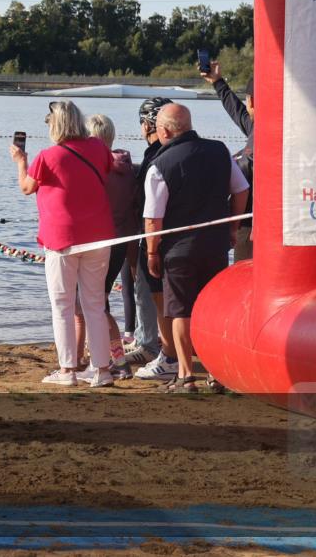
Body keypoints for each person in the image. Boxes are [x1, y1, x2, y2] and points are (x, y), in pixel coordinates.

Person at [143, 104, 249, 393]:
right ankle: (215, 373)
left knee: (180, 311)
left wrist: (152, 252)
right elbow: (241, 189)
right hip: (215, 244)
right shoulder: (220, 150)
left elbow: (153, 218)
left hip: (178, 249)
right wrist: (232, 227)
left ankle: (186, 375)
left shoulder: (160, 164)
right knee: (211, 309)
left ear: (164, 130)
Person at [9, 100, 115, 388]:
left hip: (62, 238)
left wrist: (21, 161)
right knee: (95, 304)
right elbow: (110, 168)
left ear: (55, 125)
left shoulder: (47, 156)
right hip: (99, 234)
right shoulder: (98, 148)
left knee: (63, 305)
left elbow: (26, 188)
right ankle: (102, 371)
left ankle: (68, 370)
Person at [74, 114, 138, 380]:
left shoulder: (98, 169)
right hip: (120, 243)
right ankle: (94, 358)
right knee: (96, 304)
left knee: (93, 306)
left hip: (98, 243)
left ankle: (114, 361)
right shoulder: (128, 167)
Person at [125, 98, 176, 380]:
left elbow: (146, 201)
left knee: (150, 291)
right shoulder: (175, 150)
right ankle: (152, 341)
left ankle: (151, 346)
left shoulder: (155, 156)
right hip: (176, 234)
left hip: (153, 234)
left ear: (148, 124)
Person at [201, 63, 254, 261]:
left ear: (252, 101)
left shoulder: (269, 130)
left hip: (252, 227)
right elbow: (236, 111)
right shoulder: (255, 125)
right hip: (244, 225)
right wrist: (217, 82)